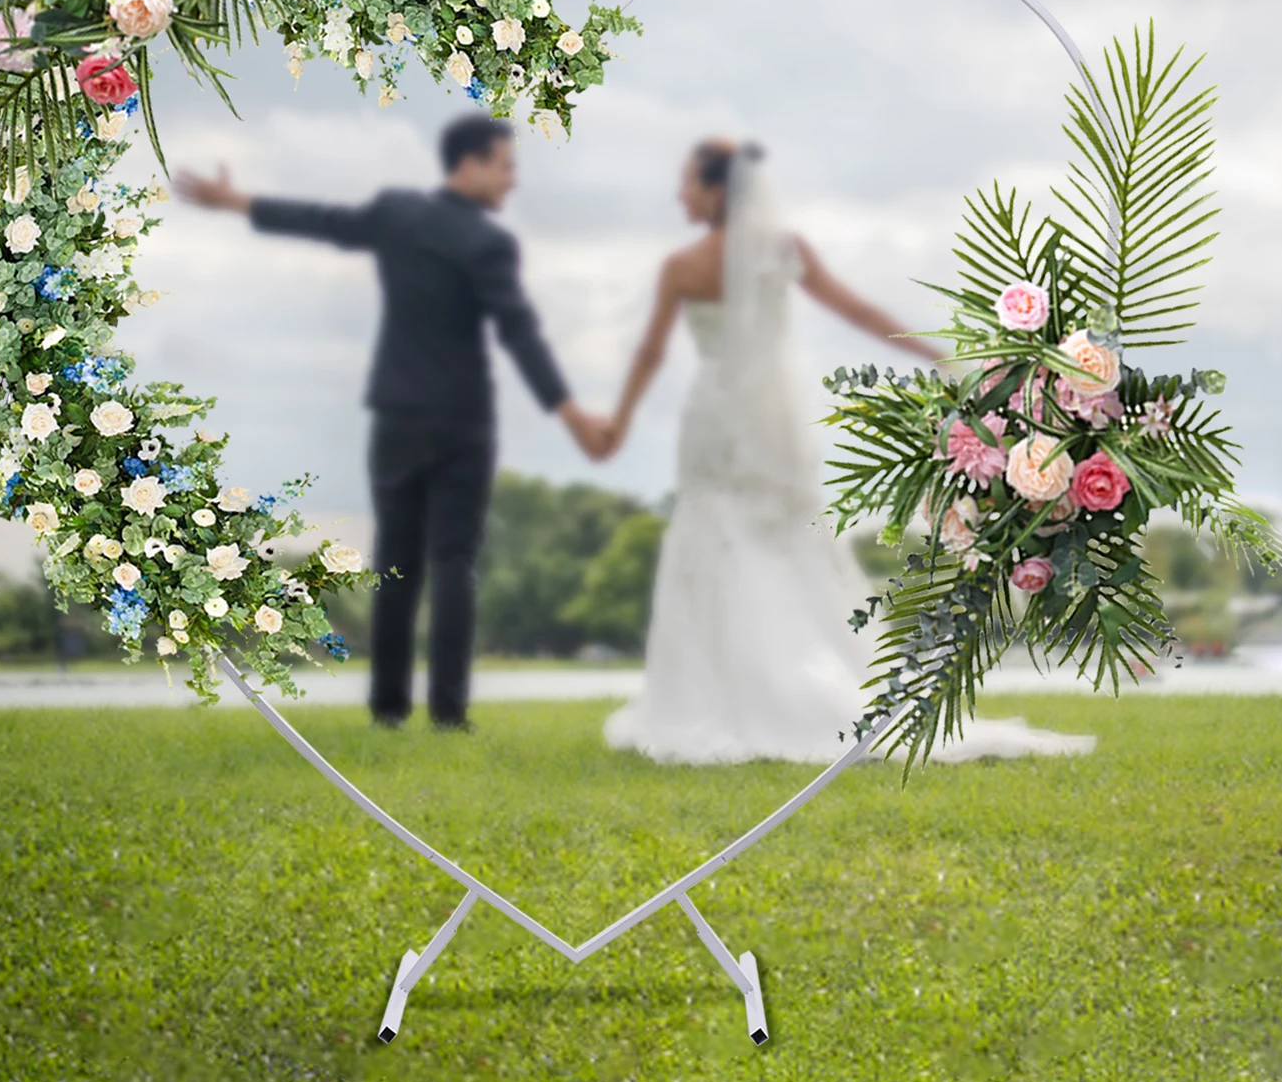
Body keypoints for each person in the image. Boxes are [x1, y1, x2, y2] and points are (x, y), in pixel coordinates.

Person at [595, 138, 1097, 767]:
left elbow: (649, 353)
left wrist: (616, 423)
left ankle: (725, 695)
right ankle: (784, 687)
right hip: (768, 418)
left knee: (717, 533)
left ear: (719, 190)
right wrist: (940, 356)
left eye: (689, 184)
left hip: (715, 415)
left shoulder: (683, 266)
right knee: (780, 544)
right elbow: (858, 311)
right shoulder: (782, 252)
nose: (680, 195)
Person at [174, 113, 610, 731]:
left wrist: (235, 201)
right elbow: (520, 334)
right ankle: (449, 714)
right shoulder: (489, 244)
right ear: (471, 163)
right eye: (506, 166)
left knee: (397, 563)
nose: (512, 182)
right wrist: (572, 416)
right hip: (463, 420)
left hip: (398, 415)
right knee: (454, 562)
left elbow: (324, 222)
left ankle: (387, 710)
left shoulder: (397, 215)